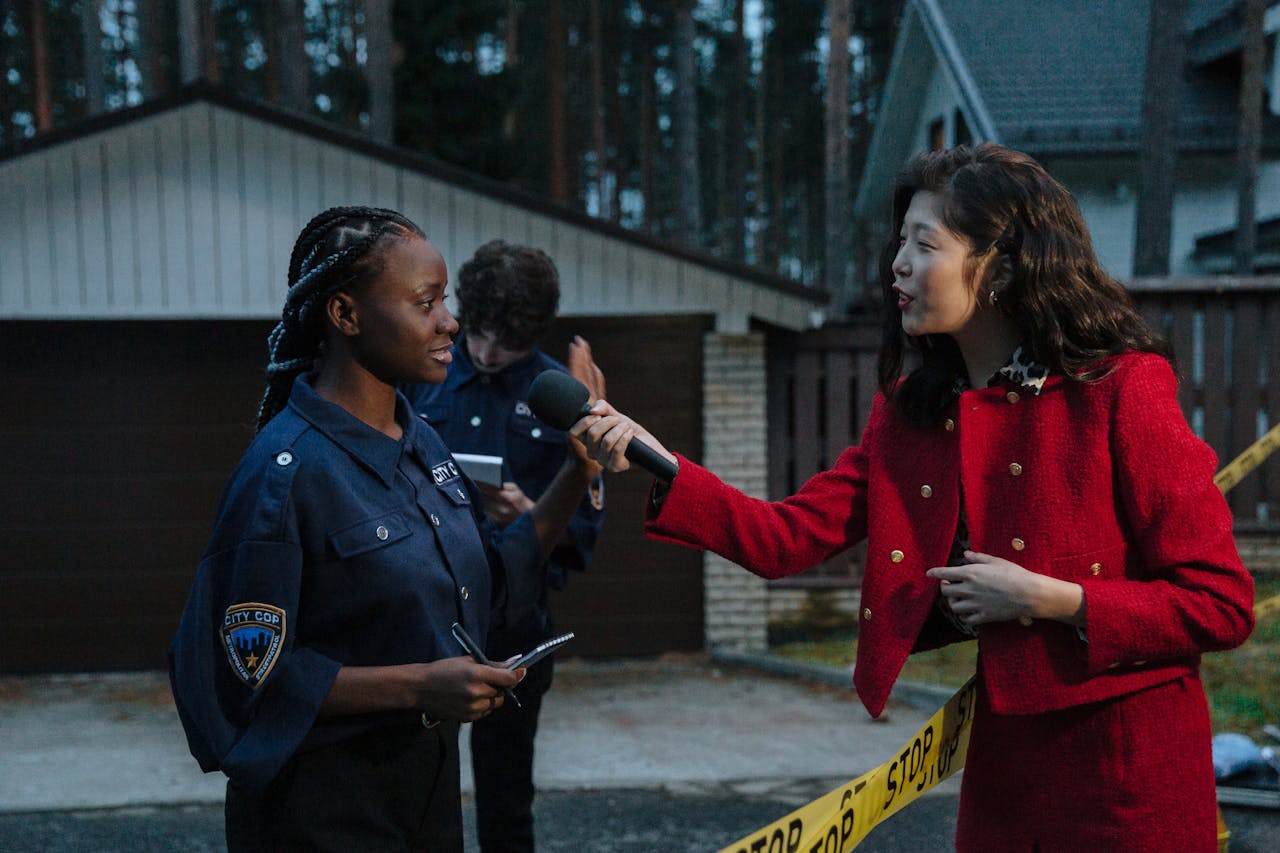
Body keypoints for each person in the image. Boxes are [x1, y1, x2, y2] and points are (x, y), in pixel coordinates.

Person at [570, 144, 1256, 851]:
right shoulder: (911, 414)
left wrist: (1051, 598)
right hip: (1004, 778)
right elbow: (783, 537)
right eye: (899, 241)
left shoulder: (1122, 388)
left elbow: (1221, 602)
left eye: (924, 243)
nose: (898, 262)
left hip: (1130, 778)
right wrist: (656, 457)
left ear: (1003, 265)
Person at [167, 206, 602, 852]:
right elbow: (244, 678)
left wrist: (577, 470)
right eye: (425, 303)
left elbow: (494, 577)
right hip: (324, 815)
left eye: (445, 299)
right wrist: (423, 685)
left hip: (425, 802)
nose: (450, 322)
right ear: (345, 315)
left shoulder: (422, 445)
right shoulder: (284, 474)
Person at [401, 239, 605, 853]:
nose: (486, 353)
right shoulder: (419, 373)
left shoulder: (557, 393)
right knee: (410, 794)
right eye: (479, 333)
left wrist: (532, 515)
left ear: (534, 333)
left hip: (515, 621)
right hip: (425, 618)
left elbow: (586, 537)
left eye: (506, 343)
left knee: (507, 804)